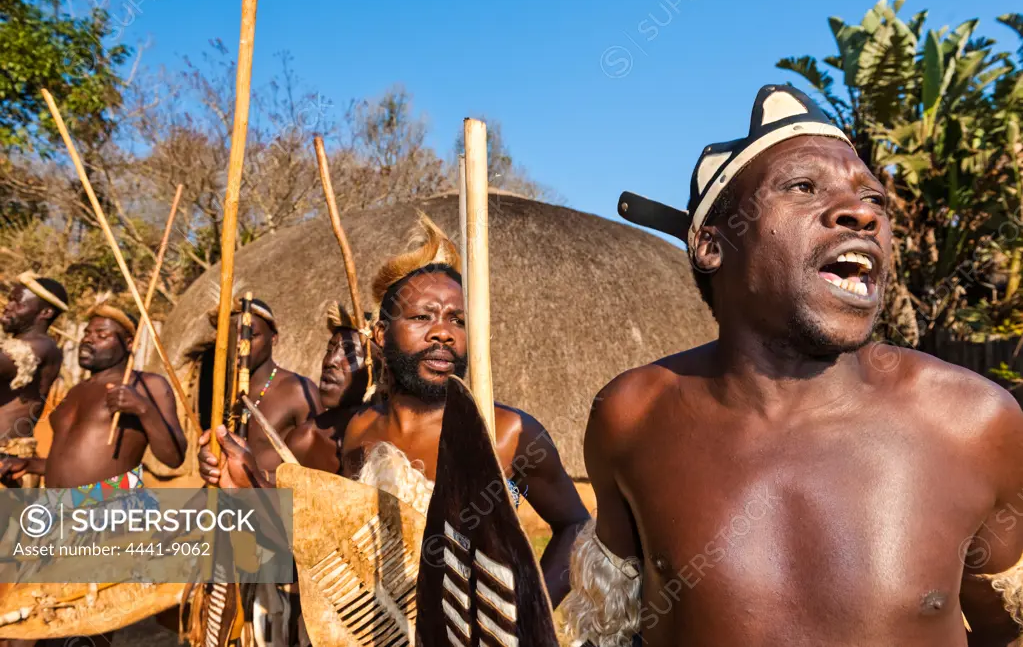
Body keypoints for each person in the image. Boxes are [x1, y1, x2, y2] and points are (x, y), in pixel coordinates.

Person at [563, 85, 1023, 646]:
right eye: (803, 186)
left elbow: (1002, 630)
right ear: (712, 243)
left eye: (874, 199)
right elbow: (613, 631)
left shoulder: (975, 423)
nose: (861, 213)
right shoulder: (633, 415)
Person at [199, 214, 590, 607]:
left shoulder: (508, 433)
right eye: (422, 317)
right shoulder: (357, 432)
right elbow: (311, 534)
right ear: (381, 334)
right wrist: (246, 480)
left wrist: (526, 615)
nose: (442, 332)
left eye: (457, 319)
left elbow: (574, 525)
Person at [0, 302, 185, 491]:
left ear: (129, 343)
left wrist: (143, 409)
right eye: (87, 333)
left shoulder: (146, 384)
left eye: (102, 335)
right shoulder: (75, 392)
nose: (88, 340)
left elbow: (174, 458)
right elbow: (74, 465)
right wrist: (31, 465)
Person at [206, 296, 322, 472]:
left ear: (273, 338)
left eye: (251, 336)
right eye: (231, 336)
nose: (239, 344)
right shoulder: (221, 393)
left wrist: (255, 481)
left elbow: (316, 476)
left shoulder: (298, 392)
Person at [286, 300, 371, 473]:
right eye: (329, 349)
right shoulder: (306, 441)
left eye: (349, 352)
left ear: (377, 364)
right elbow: (284, 501)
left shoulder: (399, 440)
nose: (330, 361)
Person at [0, 273, 67, 484]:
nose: (8, 306)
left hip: (9, 464)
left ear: (45, 312)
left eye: (18, 303)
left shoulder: (42, 347)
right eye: (10, 299)